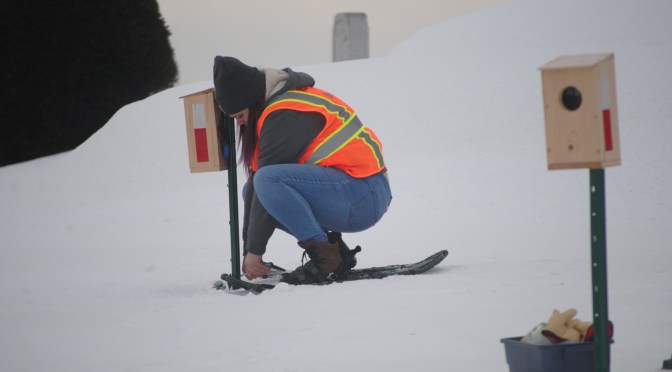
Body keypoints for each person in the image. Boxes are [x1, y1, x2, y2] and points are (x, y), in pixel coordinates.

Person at [213, 56, 392, 283]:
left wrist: (253, 252)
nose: (239, 123)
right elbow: (258, 191)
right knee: (252, 188)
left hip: (365, 197)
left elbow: (266, 181)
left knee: (267, 180)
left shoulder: (285, 112)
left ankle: (327, 259)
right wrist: (249, 250)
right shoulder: (280, 104)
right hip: (356, 191)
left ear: (251, 101)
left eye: (239, 116)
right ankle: (336, 253)